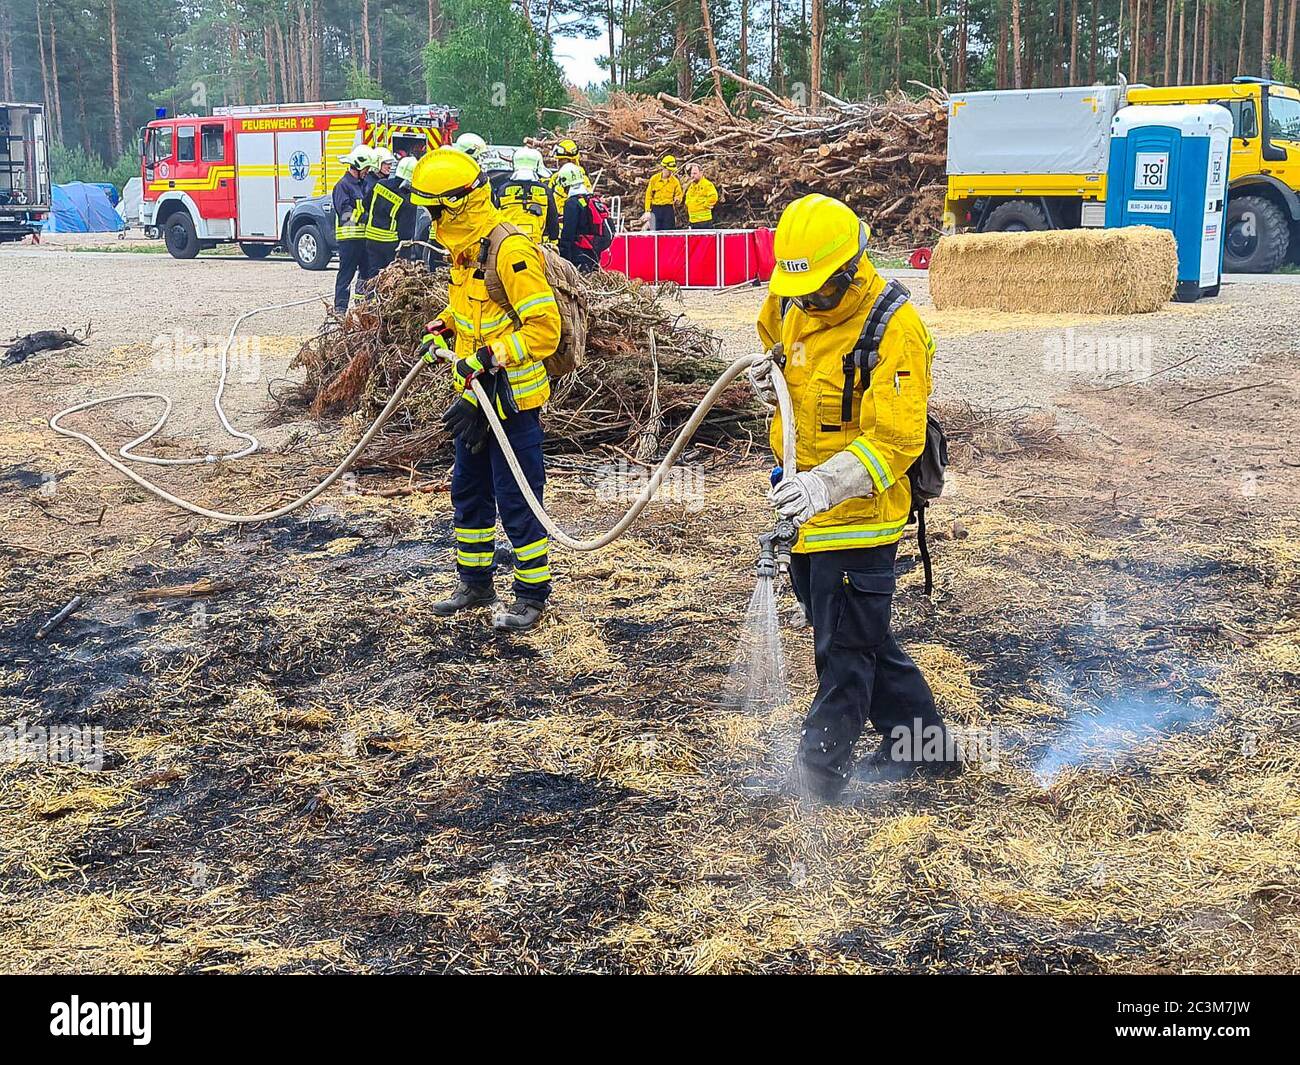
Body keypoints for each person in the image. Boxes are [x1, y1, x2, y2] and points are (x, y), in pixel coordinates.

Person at [747, 193, 960, 800]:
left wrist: (823, 485)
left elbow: (895, 440)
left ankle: (817, 781)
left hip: (859, 518)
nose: (806, 305)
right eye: (799, 295)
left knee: (843, 655)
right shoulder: (796, 292)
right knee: (856, 637)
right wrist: (772, 372)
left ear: (850, 269)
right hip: (804, 511)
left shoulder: (895, 329)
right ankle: (929, 748)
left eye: (818, 294)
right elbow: (775, 332)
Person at [408, 147, 562, 633]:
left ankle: (531, 594)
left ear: (456, 205)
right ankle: (474, 582)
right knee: (468, 491)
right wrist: (445, 324)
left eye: (434, 210)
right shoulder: (465, 249)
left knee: (516, 496)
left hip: (512, 401)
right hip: (474, 397)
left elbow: (545, 329)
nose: (430, 220)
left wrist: (491, 355)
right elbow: (473, 310)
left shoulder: (510, 250)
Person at [330, 145, 373, 312]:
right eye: (367, 168)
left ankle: (362, 307)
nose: (368, 171)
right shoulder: (343, 185)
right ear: (358, 165)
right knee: (346, 275)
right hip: (348, 239)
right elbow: (345, 211)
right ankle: (340, 309)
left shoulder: (362, 185)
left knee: (366, 274)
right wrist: (364, 218)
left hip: (363, 238)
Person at [363, 154, 418, 280]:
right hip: (390, 244)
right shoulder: (408, 200)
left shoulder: (379, 185)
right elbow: (406, 232)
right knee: (390, 279)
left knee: (373, 276)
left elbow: (365, 204)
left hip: (371, 239)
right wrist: (405, 257)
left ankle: (370, 298)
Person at [497, 147, 558, 244]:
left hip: (508, 243)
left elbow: (495, 217)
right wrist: (554, 240)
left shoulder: (503, 190)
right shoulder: (545, 190)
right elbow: (552, 218)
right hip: (537, 245)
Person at [555, 163, 601, 273]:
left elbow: (568, 233)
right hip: (593, 253)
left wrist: (563, 254)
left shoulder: (572, 203)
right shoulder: (590, 199)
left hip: (578, 255)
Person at [644, 155, 683, 230]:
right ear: (664, 168)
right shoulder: (654, 179)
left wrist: (677, 199)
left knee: (669, 233)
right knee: (654, 232)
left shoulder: (675, 182)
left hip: (668, 209)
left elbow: (679, 194)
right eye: (669, 170)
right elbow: (648, 196)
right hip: (655, 209)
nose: (671, 172)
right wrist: (647, 211)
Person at [683, 163, 719, 229]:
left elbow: (713, 197)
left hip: (704, 221)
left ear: (701, 173)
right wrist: (688, 203)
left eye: (695, 173)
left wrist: (705, 205)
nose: (692, 176)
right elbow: (687, 198)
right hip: (693, 220)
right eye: (691, 174)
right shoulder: (691, 186)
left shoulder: (707, 184)